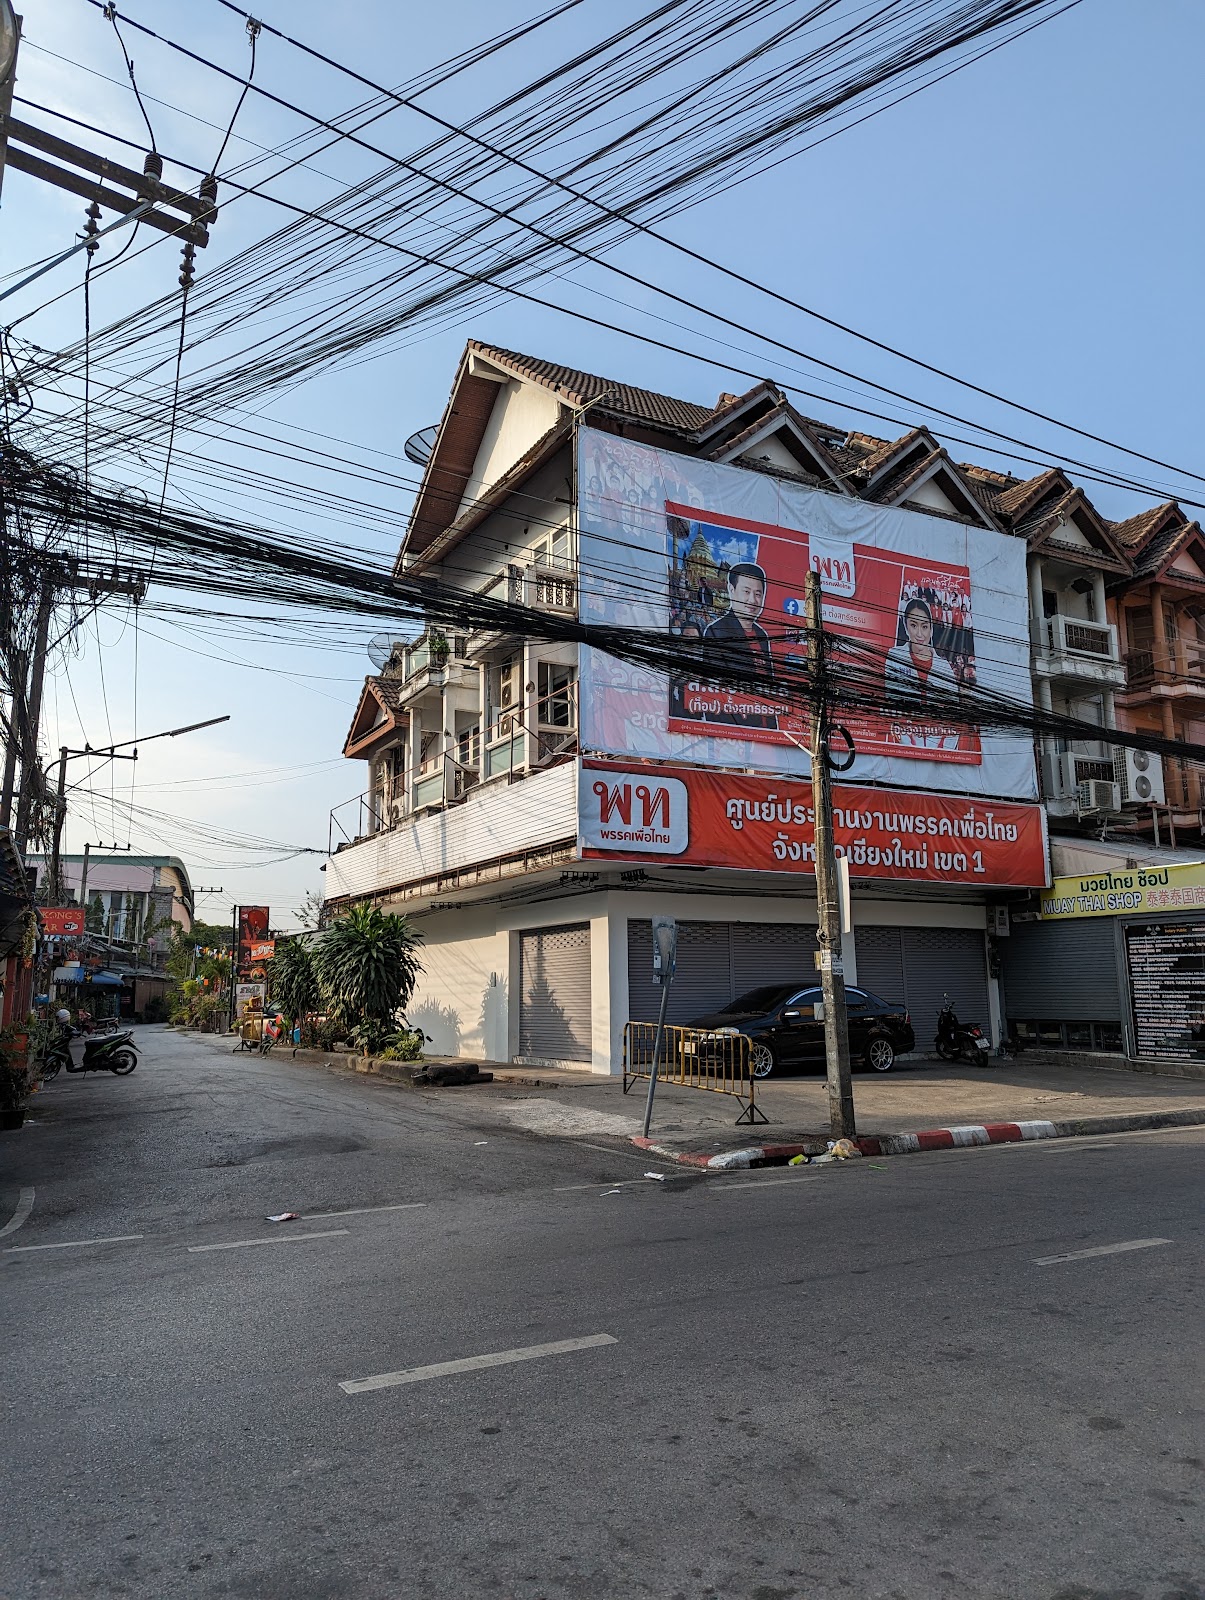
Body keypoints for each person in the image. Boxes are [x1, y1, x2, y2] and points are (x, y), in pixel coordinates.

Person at [699, 562, 778, 729]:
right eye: (746, 592)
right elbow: (712, 692)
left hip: (767, 730)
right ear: (732, 590)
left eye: (758, 594)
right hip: (735, 729)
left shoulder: (761, 635)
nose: (752, 600)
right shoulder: (716, 632)